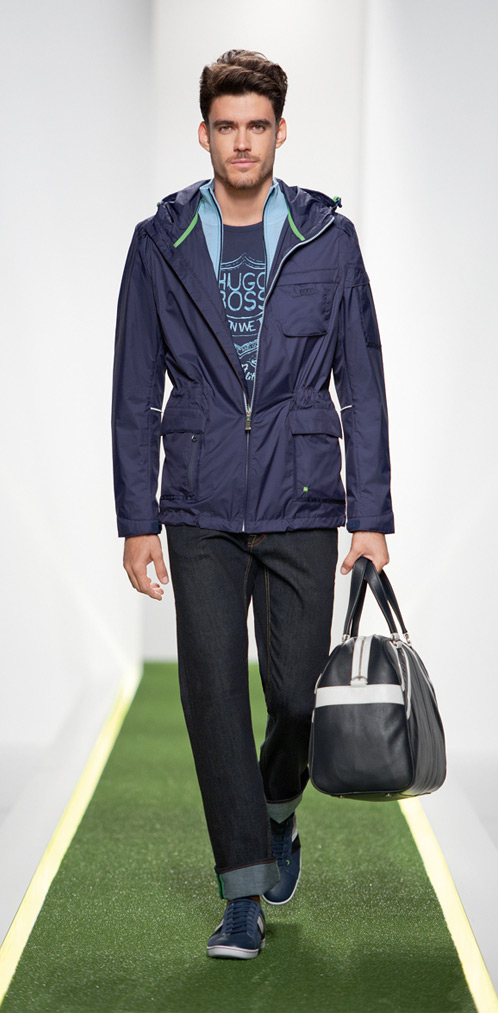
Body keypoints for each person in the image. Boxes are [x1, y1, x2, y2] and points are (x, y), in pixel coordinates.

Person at [111, 49, 394, 960]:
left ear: (280, 131)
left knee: (298, 694)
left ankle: (276, 808)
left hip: (303, 494)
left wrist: (371, 516)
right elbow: (132, 393)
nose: (242, 142)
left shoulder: (327, 238)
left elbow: (364, 383)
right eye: (227, 126)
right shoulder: (160, 243)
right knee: (210, 693)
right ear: (204, 134)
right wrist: (137, 520)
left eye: (257, 126)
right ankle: (241, 891)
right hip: (196, 500)